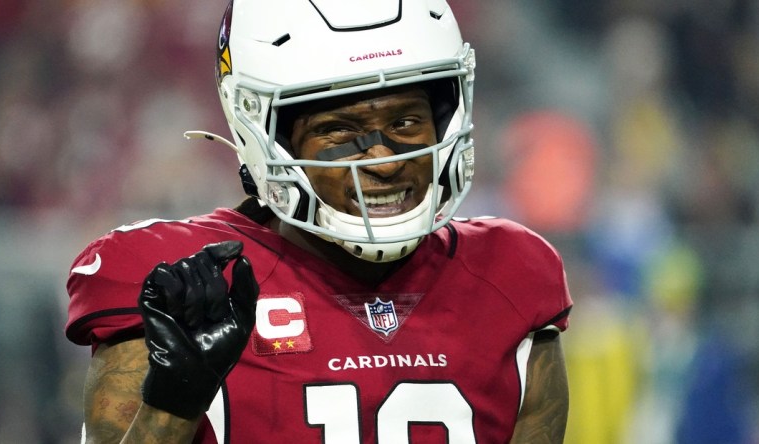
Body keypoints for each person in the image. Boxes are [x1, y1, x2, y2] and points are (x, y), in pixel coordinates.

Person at [65, 0, 573, 442]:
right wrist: (172, 401)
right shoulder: (184, 279)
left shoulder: (510, 274)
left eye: (406, 122)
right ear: (264, 133)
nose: (384, 160)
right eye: (338, 129)